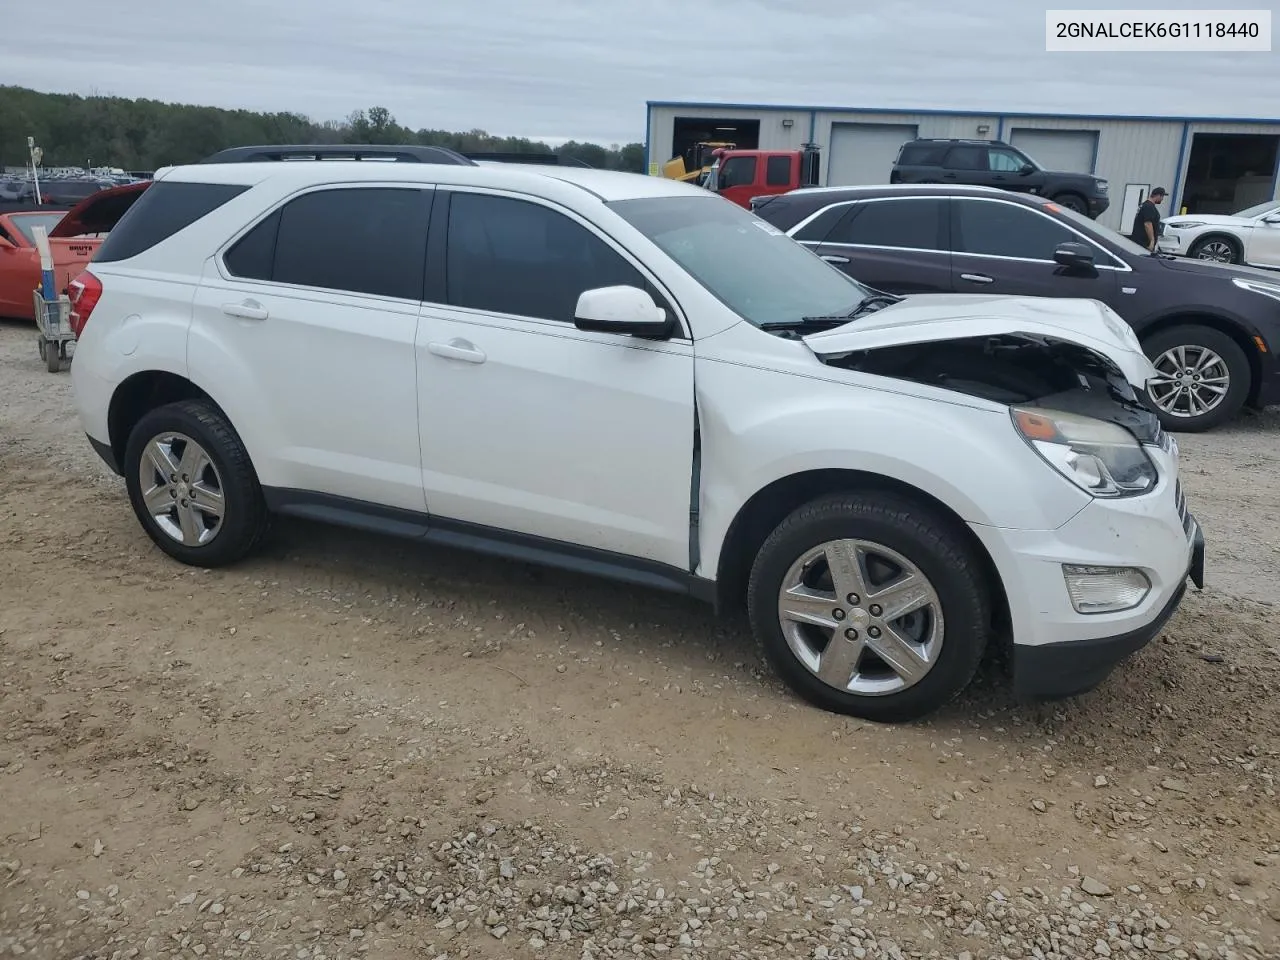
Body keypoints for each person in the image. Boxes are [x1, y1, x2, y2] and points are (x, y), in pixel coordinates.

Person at [1129, 187, 1166, 251]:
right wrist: (1152, 241)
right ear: (1158, 195)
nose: (1162, 199)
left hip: (1139, 242)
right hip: (1143, 244)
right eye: (1162, 196)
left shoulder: (1145, 205)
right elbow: (1147, 224)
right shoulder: (1149, 207)